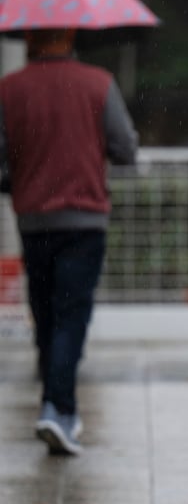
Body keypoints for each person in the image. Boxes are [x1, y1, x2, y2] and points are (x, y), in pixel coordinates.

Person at [0, 27, 138, 455]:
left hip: (34, 219)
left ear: (30, 41)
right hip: (84, 220)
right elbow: (126, 148)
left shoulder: (9, 89)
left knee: (44, 313)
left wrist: (20, 179)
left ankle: (54, 402)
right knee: (71, 314)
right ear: (71, 36)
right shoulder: (99, 84)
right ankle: (58, 408)